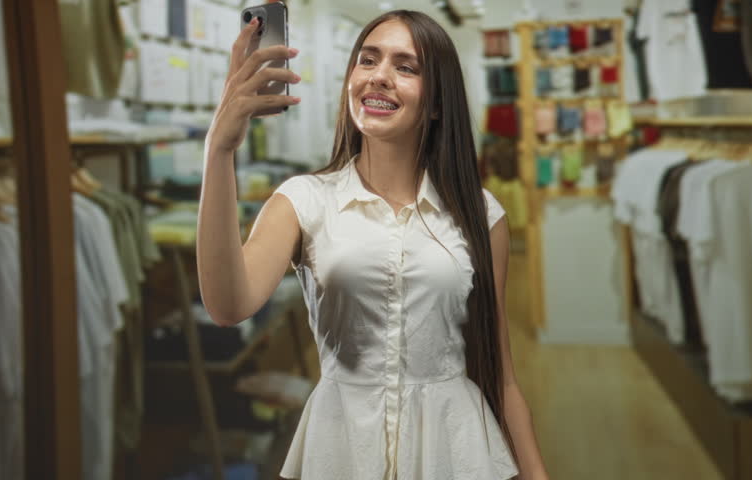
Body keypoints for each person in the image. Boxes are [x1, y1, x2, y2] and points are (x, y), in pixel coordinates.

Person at [197, 9, 550, 480]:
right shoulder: (305, 200)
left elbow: (499, 374)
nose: (379, 76)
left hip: (453, 448)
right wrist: (218, 151)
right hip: (342, 447)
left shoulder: (480, 213)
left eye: (406, 67)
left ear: (437, 103)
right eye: (368, 60)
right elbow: (227, 306)